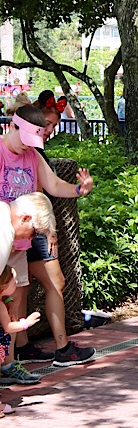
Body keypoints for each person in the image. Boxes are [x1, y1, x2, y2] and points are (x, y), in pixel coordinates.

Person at [0, 105, 97, 367]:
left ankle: (10, 362)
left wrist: (79, 189)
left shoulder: (32, 154)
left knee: (15, 298)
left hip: (22, 240)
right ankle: (9, 363)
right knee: (9, 300)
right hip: (4, 237)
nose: (28, 147)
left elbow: (53, 185)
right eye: (26, 139)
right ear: (13, 126)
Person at [0, 192, 56, 385]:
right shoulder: (5, 234)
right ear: (25, 218)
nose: (30, 239)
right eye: (33, 232)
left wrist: (7, 301)